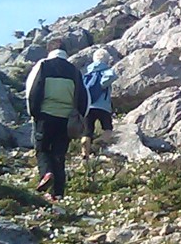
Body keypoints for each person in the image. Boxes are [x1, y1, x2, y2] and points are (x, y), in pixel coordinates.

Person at [26, 38, 89, 201]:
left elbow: (32, 90)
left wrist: (34, 113)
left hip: (45, 116)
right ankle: (58, 194)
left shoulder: (43, 65)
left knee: (42, 149)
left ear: (49, 51)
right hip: (66, 120)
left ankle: (46, 173)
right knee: (59, 156)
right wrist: (79, 117)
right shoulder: (74, 70)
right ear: (66, 52)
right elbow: (84, 98)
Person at [81, 49, 118, 159]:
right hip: (103, 107)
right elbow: (112, 76)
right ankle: (99, 141)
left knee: (87, 132)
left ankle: (85, 155)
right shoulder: (106, 71)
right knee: (108, 129)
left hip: (88, 106)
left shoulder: (88, 73)